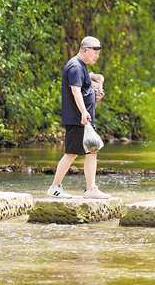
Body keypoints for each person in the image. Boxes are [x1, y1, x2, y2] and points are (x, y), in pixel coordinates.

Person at [47, 36, 110, 199]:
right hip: (78, 119)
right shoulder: (75, 66)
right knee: (71, 154)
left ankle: (90, 189)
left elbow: (92, 81)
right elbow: (75, 91)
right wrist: (83, 111)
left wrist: (96, 92)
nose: (96, 56)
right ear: (85, 50)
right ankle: (55, 187)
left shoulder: (81, 67)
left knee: (91, 151)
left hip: (84, 120)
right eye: (95, 53)